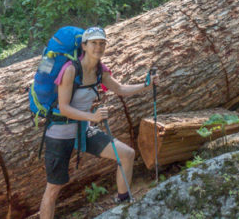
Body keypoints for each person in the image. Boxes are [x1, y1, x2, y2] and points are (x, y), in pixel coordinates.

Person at [39, 26, 160, 219]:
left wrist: (146, 85)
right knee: (53, 188)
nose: (99, 47)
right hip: (59, 134)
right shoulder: (69, 70)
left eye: (102, 43)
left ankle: (123, 205)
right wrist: (92, 117)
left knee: (126, 155)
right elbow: (63, 107)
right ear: (84, 46)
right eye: (94, 43)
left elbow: (119, 89)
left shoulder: (99, 71)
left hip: (83, 130)